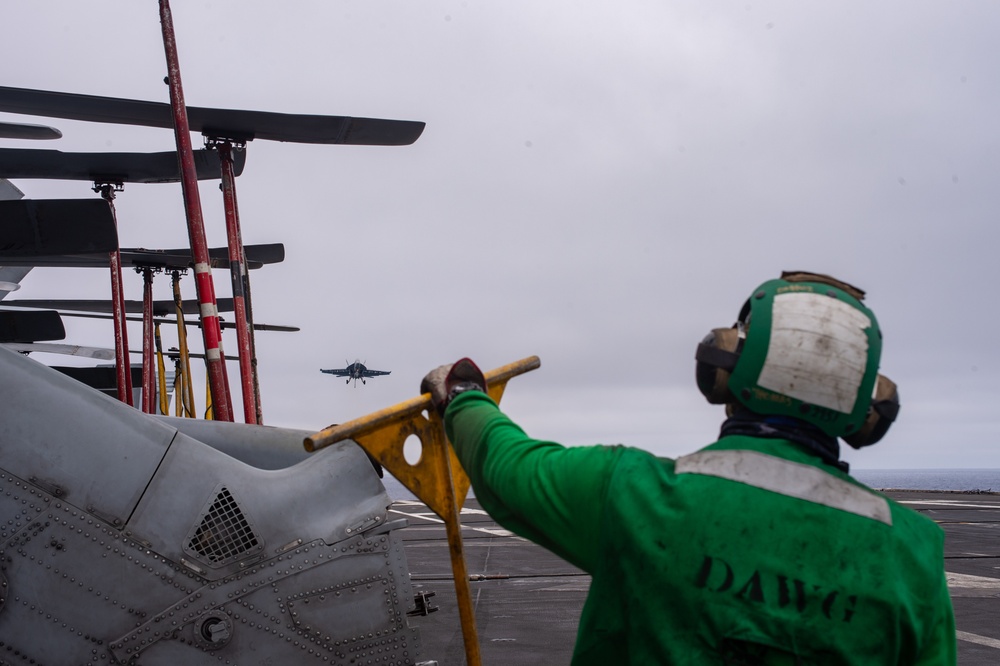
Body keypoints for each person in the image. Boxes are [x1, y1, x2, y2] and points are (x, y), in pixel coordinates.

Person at [421, 271, 956, 665]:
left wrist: (465, 395)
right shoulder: (915, 555)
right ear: (868, 409)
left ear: (724, 368)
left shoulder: (633, 493)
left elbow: (506, 469)